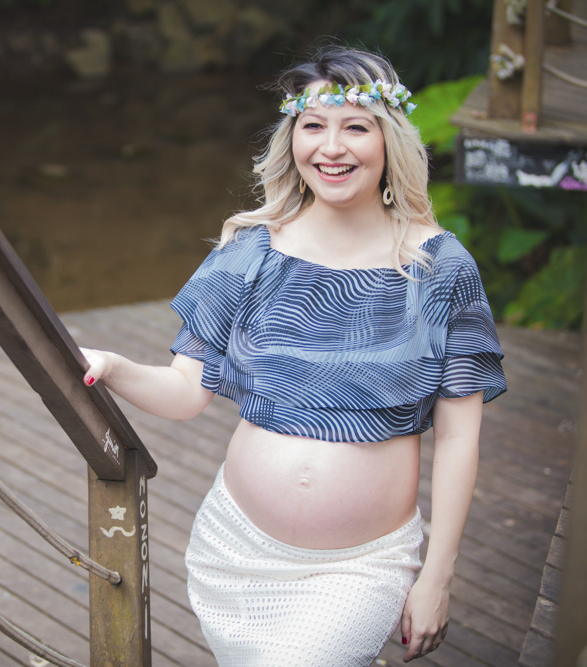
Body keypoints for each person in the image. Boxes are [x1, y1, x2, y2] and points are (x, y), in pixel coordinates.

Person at [80, 45, 506, 666]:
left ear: (389, 142)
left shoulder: (440, 268)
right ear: (292, 139)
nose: (331, 148)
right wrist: (114, 368)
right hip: (238, 551)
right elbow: (186, 392)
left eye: (355, 127)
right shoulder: (251, 252)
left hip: (362, 565)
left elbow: (461, 439)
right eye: (313, 126)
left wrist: (437, 576)